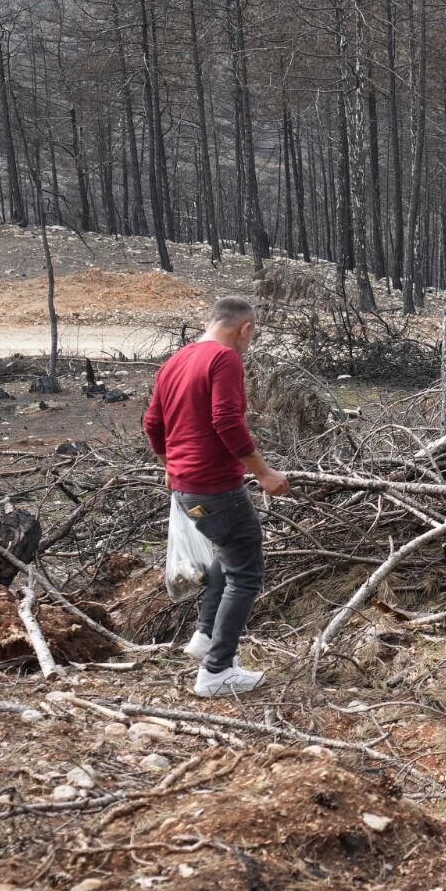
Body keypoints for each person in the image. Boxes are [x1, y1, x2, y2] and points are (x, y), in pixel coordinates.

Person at [143, 297, 290, 696]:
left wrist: (171, 468)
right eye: (251, 335)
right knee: (246, 573)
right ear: (245, 329)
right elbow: (226, 419)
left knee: (228, 555)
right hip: (216, 486)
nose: (249, 342)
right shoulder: (224, 359)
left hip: (188, 485)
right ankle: (217, 671)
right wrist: (263, 473)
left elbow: (153, 423)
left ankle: (206, 636)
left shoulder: (176, 360)